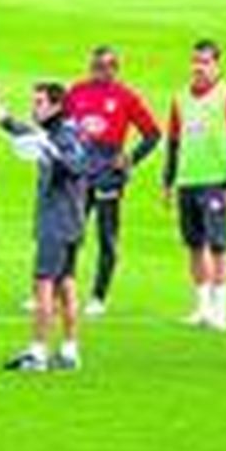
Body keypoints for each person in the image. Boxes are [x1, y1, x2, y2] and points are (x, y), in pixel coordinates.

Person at [0, 83, 93, 372]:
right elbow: (34, 136)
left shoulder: (65, 134)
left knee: (43, 285)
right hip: (68, 221)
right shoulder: (56, 131)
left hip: (57, 222)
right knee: (66, 285)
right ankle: (69, 350)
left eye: (39, 102)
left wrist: (52, 153)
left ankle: (38, 353)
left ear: (55, 105)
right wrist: (7, 122)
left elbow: (77, 165)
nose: (34, 107)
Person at [62, 46, 160, 315]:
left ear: (115, 69)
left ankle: (98, 297)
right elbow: (62, 127)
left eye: (104, 67)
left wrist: (131, 158)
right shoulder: (77, 92)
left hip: (108, 174)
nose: (98, 72)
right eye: (94, 66)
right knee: (70, 232)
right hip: (81, 171)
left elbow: (152, 134)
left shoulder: (126, 97)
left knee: (106, 236)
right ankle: (61, 287)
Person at [161, 39, 226, 331]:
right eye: (195, 61)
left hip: (215, 181)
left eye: (205, 61)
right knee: (194, 245)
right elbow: (173, 141)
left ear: (216, 64)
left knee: (219, 244)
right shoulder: (181, 97)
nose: (199, 67)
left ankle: (220, 309)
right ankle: (202, 306)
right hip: (188, 179)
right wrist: (168, 180)